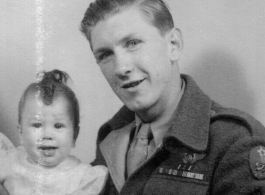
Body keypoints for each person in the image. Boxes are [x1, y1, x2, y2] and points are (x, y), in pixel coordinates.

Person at [79, 0, 265, 194]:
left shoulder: (235, 141)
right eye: (105, 54)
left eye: (133, 43)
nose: (121, 68)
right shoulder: (111, 134)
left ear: (173, 45)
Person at [0, 70, 108, 195]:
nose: (47, 135)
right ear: (21, 133)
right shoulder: (9, 162)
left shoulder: (83, 177)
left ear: (74, 135)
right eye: (37, 125)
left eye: (58, 126)